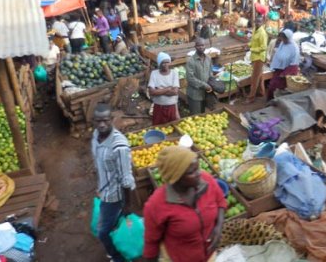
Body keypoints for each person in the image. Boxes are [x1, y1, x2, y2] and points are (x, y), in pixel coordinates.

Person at [143, 146, 226, 262]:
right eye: (192, 172)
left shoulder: (206, 180)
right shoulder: (156, 205)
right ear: (176, 177)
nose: (199, 174)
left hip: (209, 256)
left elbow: (220, 201)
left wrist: (218, 227)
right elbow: (151, 243)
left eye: (198, 168)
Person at [91, 103, 135, 262]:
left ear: (112, 120)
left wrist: (127, 206)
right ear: (94, 121)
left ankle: (117, 257)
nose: (101, 125)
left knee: (102, 231)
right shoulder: (96, 135)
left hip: (115, 196)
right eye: (98, 121)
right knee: (110, 225)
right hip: (104, 190)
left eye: (105, 121)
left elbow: (126, 179)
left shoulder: (120, 146)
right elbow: (99, 162)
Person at [267, 29, 300, 100]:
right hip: (279, 69)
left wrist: (284, 73)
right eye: (282, 38)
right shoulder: (282, 44)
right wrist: (273, 63)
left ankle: (276, 102)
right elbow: (277, 54)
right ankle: (271, 101)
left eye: (284, 38)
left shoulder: (294, 48)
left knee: (276, 87)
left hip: (287, 71)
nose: (283, 40)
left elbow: (294, 63)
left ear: (289, 38)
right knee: (272, 86)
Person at [148, 52, 180, 125]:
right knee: (158, 127)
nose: (165, 65)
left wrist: (158, 90)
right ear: (159, 64)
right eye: (163, 63)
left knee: (173, 127)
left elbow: (175, 92)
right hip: (159, 108)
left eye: (167, 62)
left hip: (172, 107)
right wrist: (168, 89)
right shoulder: (154, 74)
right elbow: (151, 92)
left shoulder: (174, 73)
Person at [186, 38, 212, 115]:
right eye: (198, 45)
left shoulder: (208, 58)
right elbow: (190, 78)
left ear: (205, 46)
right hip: (195, 94)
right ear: (195, 47)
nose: (200, 47)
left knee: (203, 114)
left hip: (205, 93)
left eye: (202, 45)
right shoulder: (191, 61)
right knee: (195, 116)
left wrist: (213, 82)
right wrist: (204, 85)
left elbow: (210, 72)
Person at [244, 16, 268, 103]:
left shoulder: (262, 33)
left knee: (254, 78)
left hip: (259, 57)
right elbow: (253, 41)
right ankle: (261, 92)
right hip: (254, 56)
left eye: (259, 22)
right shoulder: (255, 29)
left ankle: (251, 98)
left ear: (262, 22)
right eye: (256, 22)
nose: (257, 23)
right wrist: (249, 45)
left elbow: (263, 47)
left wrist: (251, 49)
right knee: (259, 76)